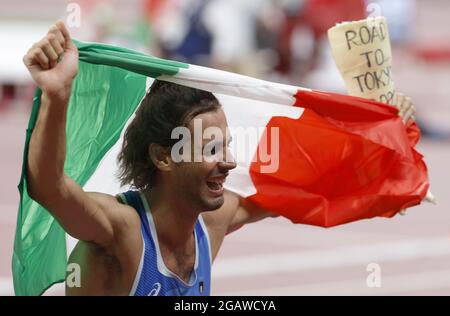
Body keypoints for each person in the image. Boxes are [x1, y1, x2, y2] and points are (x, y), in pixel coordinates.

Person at [23, 21, 416, 296]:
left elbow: (308, 183)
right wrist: (57, 95)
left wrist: (385, 149)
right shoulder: (120, 231)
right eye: (211, 149)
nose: (228, 162)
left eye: (226, 146)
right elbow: (50, 189)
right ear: (163, 156)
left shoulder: (212, 222)